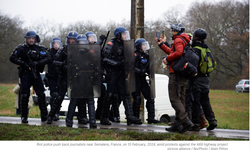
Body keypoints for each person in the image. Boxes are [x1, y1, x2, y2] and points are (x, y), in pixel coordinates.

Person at [156, 23, 193, 133]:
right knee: (180, 99)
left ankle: (185, 121)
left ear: (176, 31)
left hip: (176, 73)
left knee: (174, 98)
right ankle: (178, 124)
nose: (171, 32)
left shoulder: (178, 40)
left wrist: (167, 59)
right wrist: (161, 45)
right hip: (183, 73)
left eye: (172, 30)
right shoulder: (184, 39)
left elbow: (178, 52)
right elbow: (173, 52)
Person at [101, 26, 142, 125]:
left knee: (125, 94)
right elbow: (105, 59)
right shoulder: (111, 44)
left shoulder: (126, 45)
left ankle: (130, 117)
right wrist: (117, 63)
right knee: (109, 95)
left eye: (125, 34)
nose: (125, 36)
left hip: (122, 74)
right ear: (118, 35)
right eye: (123, 34)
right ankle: (104, 117)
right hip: (112, 74)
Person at [10, 30, 49, 123]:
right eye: (29, 38)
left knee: (41, 94)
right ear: (26, 39)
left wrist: (38, 63)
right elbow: (12, 58)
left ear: (35, 39)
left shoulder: (40, 48)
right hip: (25, 74)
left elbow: (48, 58)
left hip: (36, 74)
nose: (31, 40)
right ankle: (24, 117)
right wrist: (23, 64)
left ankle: (44, 116)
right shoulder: (21, 48)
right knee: (24, 95)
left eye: (32, 38)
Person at [47, 31, 79, 125]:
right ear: (68, 39)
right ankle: (51, 116)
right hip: (64, 77)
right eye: (70, 39)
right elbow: (55, 62)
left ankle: (69, 119)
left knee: (74, 99)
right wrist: (64, 65)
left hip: (75, 78)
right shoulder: (63, 50)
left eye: (74, 39)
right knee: (59, 98)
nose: (72, 41)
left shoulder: (80, 50)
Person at [65, 34, 97, 128]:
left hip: (87, 82)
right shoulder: (72, 54)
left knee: (90, 102)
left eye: (84, 43)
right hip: (77, 81)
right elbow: (68, 68)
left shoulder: (91, 54)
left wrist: (94, 78)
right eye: (80, 43)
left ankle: (92, 121)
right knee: (74, 101)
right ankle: (69, 120)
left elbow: (95, 67)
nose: (82, 45)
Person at [189, 28, 217, 131]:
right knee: (206, 101)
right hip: (206, 79)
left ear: (196, 37)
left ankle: (196, 124)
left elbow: (192, 66)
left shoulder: (196, 49)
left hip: (197, 79)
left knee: (195, 102)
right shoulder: (207, 48)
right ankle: (212, 120)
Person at [132, 38, 160, 124]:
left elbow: (148, 67)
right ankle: (135, 118)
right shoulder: (134, 55)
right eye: (143, 45)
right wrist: (139, 70)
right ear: (138, 46)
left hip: (143, 79)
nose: (145, 46)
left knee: (150, 97)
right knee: (137, 99)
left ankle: (151, 117)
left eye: (145, 44)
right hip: (135, 79)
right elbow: (131, 67)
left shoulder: (146, 56)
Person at [45, 37, 62, 123]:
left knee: (59, 96)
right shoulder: (49, 53)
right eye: (54, 44)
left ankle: (57, 112)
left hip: (60, 77)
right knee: (54, 95)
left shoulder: (62, 53)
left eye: (58, 44)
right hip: (52, 77)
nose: (56, 45)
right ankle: (52, 112)